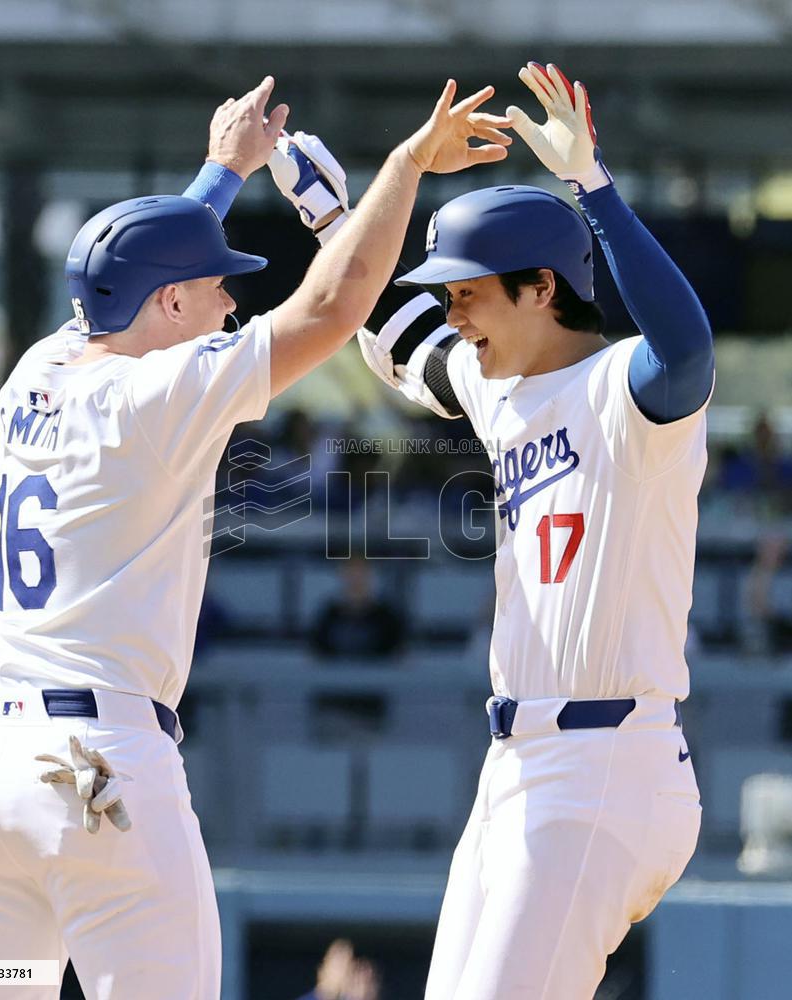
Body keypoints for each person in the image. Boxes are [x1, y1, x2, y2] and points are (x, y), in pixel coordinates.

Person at [0, 74, 509, 999]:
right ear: (166, 305)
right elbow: (330, 311)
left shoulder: (38, 368)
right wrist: (404, 167)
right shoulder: (150, 397)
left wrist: (218, 174)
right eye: (216, 289)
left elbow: (129, 276)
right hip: (95, 776)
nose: (230, 306)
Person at [269, 62, 713, 999]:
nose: (452, 307)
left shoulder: (628, 390)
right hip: (518, 762)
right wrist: (330, 220)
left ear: (541, 289)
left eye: (467, 289)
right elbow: (397, 343)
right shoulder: (496, 385)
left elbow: (689, 350)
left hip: (605, 760)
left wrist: (593, 189)